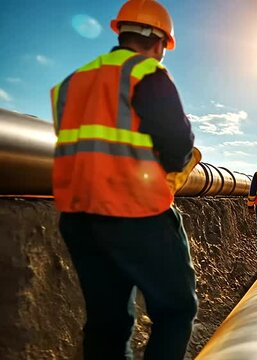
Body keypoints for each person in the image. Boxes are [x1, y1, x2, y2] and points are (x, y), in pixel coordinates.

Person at [50, 1, 197, 359]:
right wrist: (175, 167)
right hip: (136, 211)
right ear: (160, 41)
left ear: (122, 32)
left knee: (107, 322)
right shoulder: (146, 73)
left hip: (79, 216)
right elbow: (177, 143)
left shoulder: (70, 83)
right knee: (176, 310)